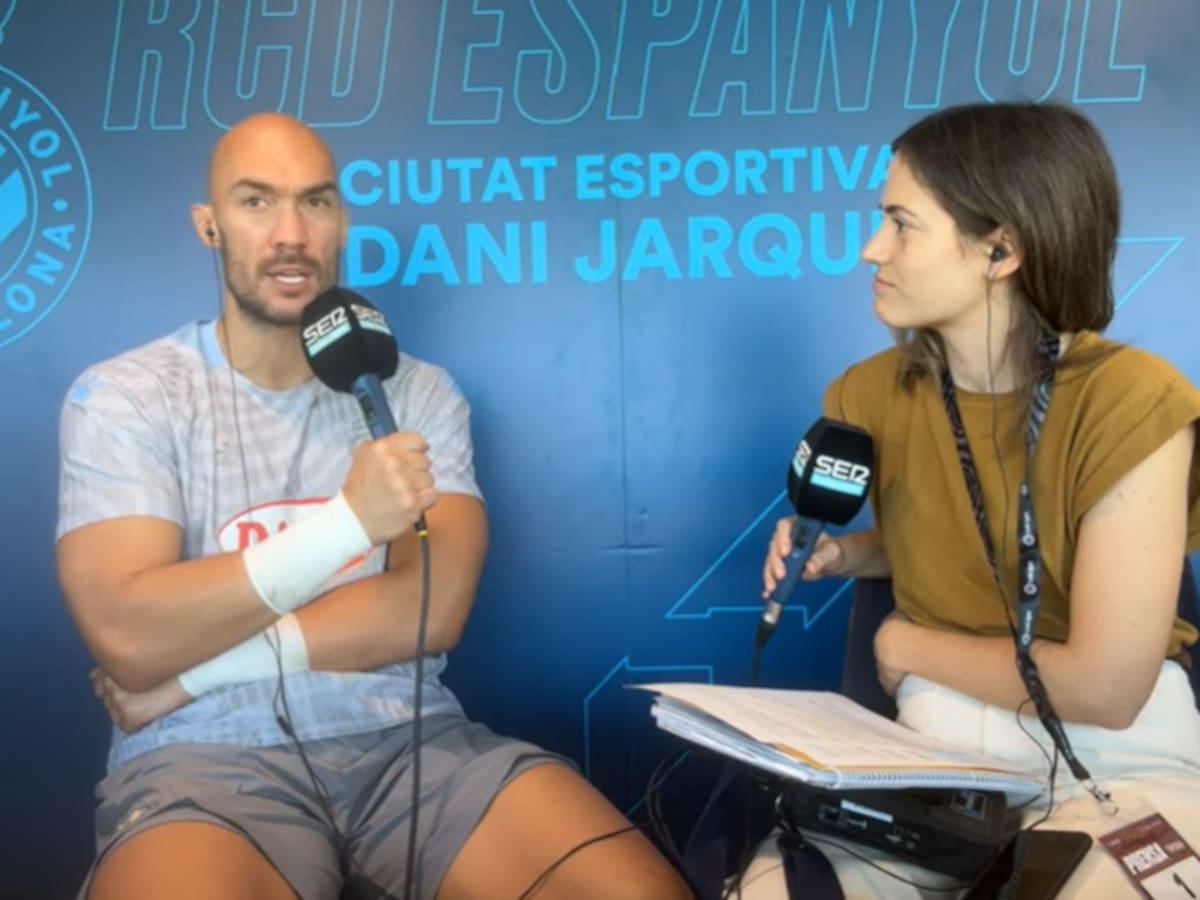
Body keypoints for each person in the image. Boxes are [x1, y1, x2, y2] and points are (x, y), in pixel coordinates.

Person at [55, 112, 695, 900]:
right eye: (256, 202)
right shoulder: (130, 395)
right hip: (205, 758)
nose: (292, 234)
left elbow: (430, 610)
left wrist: (191, 673)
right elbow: (129, 634)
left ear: (340, 220)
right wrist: (348, 528)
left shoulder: (415, 391)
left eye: (315, 202)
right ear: (208, 225)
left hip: (408, 739)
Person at [745, 102, 1200, 898]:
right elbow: (961, 529)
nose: (871, 248)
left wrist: (903, 646)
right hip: (934, 755)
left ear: (1002, 249)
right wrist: (843, 553)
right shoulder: (866, 395)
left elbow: (1105, 687)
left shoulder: (1134, 400)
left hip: (1116, 759)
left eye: (902, 224)